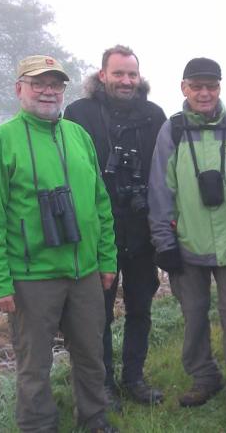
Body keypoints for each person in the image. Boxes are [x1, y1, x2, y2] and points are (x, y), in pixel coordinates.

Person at [0, 55, 118, 433]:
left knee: (91, 355)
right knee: (34, 365)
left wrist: (106, 260)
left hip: (84, 272)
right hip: (31, 277)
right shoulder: (1, 142)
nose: (48, 91)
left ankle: (94, 420)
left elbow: (101, 203)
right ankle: (39, 426)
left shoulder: (78, 135)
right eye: (38, 83)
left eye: (55, 84)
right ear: (19, 88)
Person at [147, 57, 226, 428]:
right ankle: (204, 377)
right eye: (196, 86)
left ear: (220, 87)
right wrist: (164, 242)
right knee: (194, 318)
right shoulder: (173, 131)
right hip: (188, 244)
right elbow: (160, 190)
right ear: (183, 87)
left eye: (211, 86)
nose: (204, 93)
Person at [63, 45, 166, 407]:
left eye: (131, 75)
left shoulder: (154, 115)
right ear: (102, 75)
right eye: (118, 74)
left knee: (140, 307)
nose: (126, 81)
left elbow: (163, 172)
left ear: (139, 77)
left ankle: (134, 378)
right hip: (98, 233)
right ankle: (102, 383)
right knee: (98, 314)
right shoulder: (77, 114)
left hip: (141, 230)